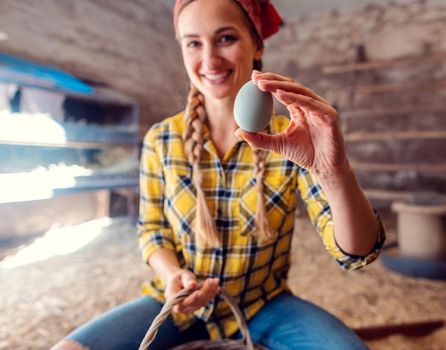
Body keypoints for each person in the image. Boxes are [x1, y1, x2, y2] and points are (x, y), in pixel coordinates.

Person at [52, 0, 385, 349]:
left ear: (257, 44)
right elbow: (152, 231)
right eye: (193, 43)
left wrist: (334, 171)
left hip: (265, 305)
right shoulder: (162, 140)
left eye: (226, 38)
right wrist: (173, 277)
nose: (209, 60)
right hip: (179, 306)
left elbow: (356, 253)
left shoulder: (292, 140)